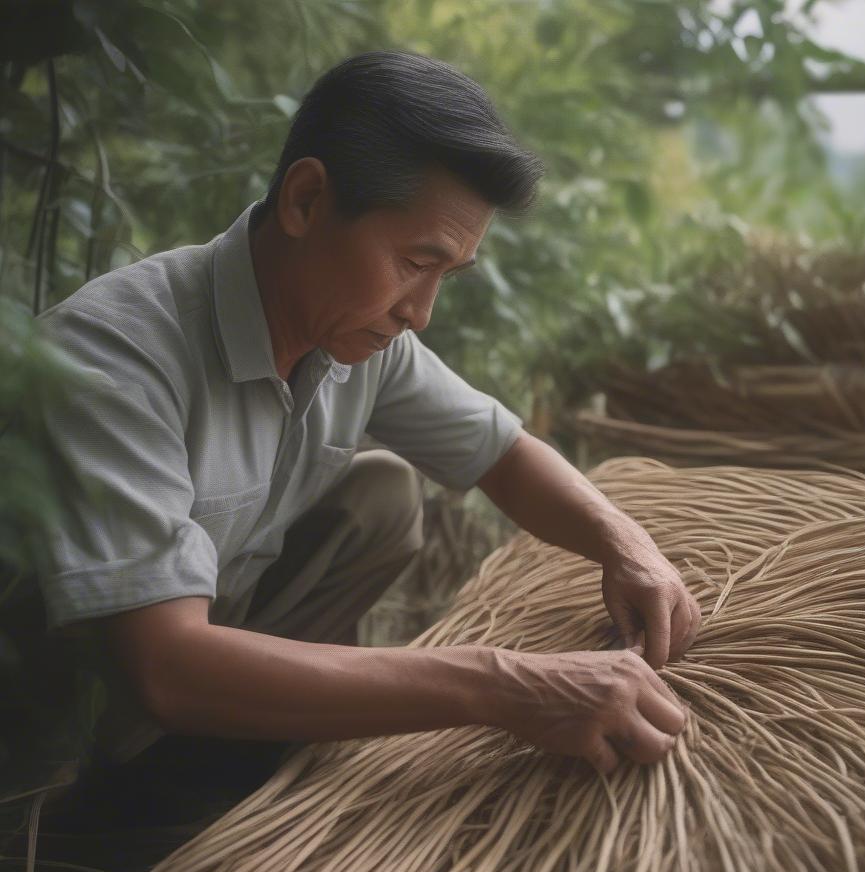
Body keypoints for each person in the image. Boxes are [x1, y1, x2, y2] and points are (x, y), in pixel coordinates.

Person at [31, 50, 701, 791]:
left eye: (445, 275)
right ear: (306, 201)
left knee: (380, 493)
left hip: (191, 669)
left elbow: (502, 451)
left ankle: (235, 751)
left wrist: (626, 543)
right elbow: (165, 665)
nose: (420, 312)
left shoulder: (353, 332)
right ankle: (122, 810)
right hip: (63, 740)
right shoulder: (114, 356)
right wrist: (504, 684)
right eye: (415, 262)